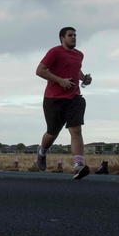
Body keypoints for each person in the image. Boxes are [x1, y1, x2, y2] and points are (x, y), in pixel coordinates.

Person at [33, 27, 93, 179]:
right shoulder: (55, 52)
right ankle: (42, 152)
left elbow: (76, 70)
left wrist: (84, 78)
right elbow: (40, 70)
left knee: (76, 130)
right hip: (54, 98)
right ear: (62, 38)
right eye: (70, 35)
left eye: (75, 35)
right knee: (53, 132)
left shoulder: (79, 55)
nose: (73, 38)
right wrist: (60, 81)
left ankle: (78, 165)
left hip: (74, 97)